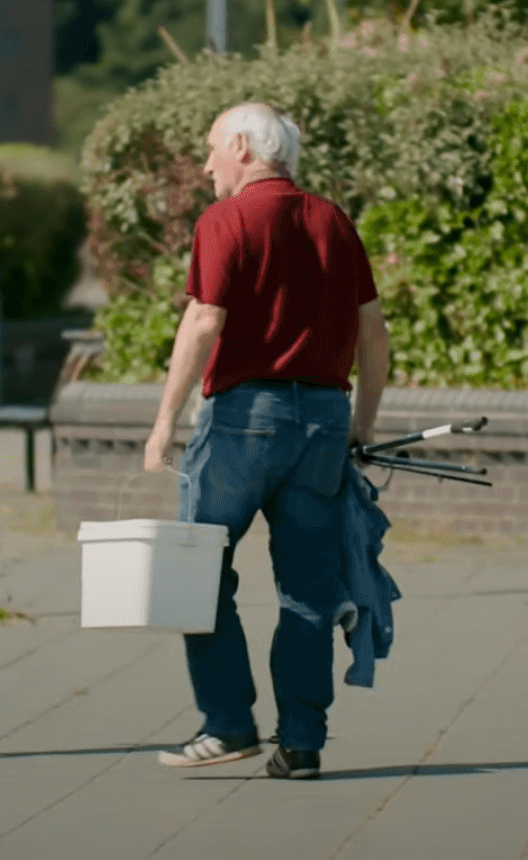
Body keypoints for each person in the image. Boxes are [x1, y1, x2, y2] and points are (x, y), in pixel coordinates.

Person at [141, 101, 391, 782]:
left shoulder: (226, 221)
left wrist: (165, 421)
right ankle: (302, 741)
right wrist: (363, 422)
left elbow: (203, 322)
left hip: (243, 421)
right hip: (323, 422)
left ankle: (227, 725)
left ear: (246, 147)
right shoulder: (334, 222)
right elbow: (374, 335)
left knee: (200, 576)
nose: (206, 164)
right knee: (308, 588)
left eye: (214, 149)